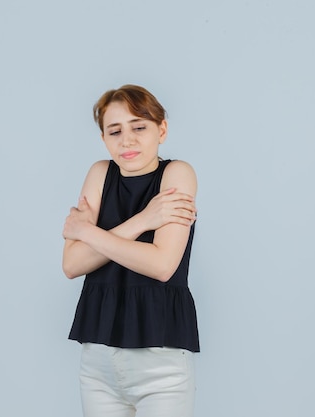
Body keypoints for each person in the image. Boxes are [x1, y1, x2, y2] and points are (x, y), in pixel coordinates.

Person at [62, 84, 200, 417]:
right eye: (115, 131)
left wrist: (88, 233)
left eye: (139, 127)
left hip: (160, 362)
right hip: (98, 361)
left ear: (161, 129)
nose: (127, 140)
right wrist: (143, 221)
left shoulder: (177, 173)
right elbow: (71, 263)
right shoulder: (99, 173)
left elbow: (162, 265)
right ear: (104, 138)